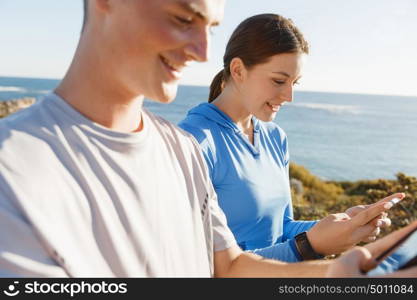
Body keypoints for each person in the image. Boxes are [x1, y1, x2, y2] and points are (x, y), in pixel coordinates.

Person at [0, 0, 414, 278]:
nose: (201, 52)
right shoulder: (15, 167)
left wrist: (349, 271)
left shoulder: (177, 151)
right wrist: (309, 247)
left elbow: (228, 266)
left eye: (210, 28)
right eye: (183, 18)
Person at [179, 14, 394, 262]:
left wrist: (343, 227)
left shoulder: (275, 137)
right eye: (278, 81)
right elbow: (200, 265)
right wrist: (309, 246)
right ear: (238, 70)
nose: (289, 96)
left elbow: (281, 229)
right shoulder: (193, 141)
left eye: (295, 83)